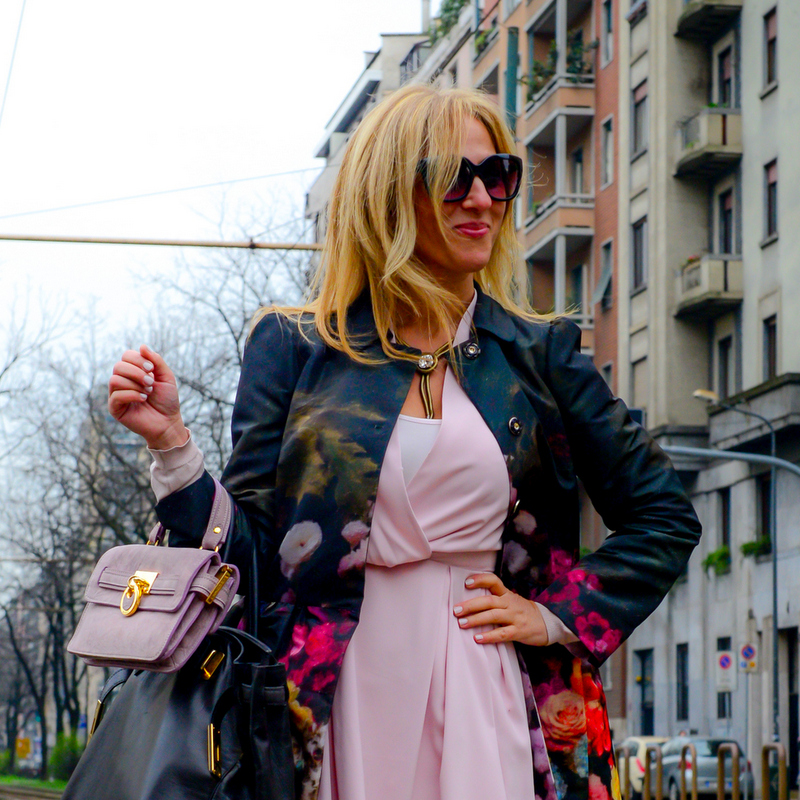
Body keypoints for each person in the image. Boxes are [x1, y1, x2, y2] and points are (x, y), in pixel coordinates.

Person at [108, 85, 701, 800]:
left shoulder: (539, 355)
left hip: (488, 684)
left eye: (497, 176)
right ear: (389, 194)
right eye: (453, 177)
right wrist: (174, 449)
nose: (480, 198)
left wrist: (552, 616)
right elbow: (249, 561)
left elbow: (664, 516)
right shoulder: (296, 347)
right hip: (331, 696)